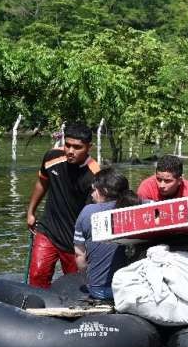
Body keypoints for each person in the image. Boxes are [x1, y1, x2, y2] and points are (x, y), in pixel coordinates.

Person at [26, 122, 100, 288]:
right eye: (67, 145)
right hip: (48, 231)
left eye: (77, 147)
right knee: (37, 275)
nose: (70, 151)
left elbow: (94, 215)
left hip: (75, 241)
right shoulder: (52, 157)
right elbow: (42, 183)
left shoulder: (95, 175)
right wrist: (31, 212)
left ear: (89, 147)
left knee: (76, 285)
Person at [73, 168, 142, 300]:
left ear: (102, 191)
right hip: (133, 287)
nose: (91, 194)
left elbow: (79, 256)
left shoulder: (88, 212)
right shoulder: (139, 205)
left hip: (101, 291)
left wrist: (88, 277)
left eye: (93, 190)